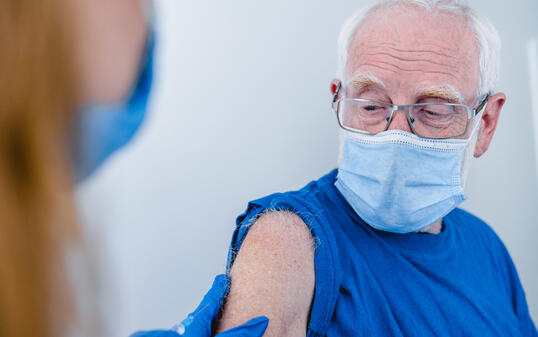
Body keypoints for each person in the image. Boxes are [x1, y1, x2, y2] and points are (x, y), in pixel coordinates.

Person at [177, 0, 538, 336]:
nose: (395, 135)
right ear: (339, 98)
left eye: (434, 110)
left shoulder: (487, 250)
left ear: (486, 122)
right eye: (370, 105)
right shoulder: (289, 236)